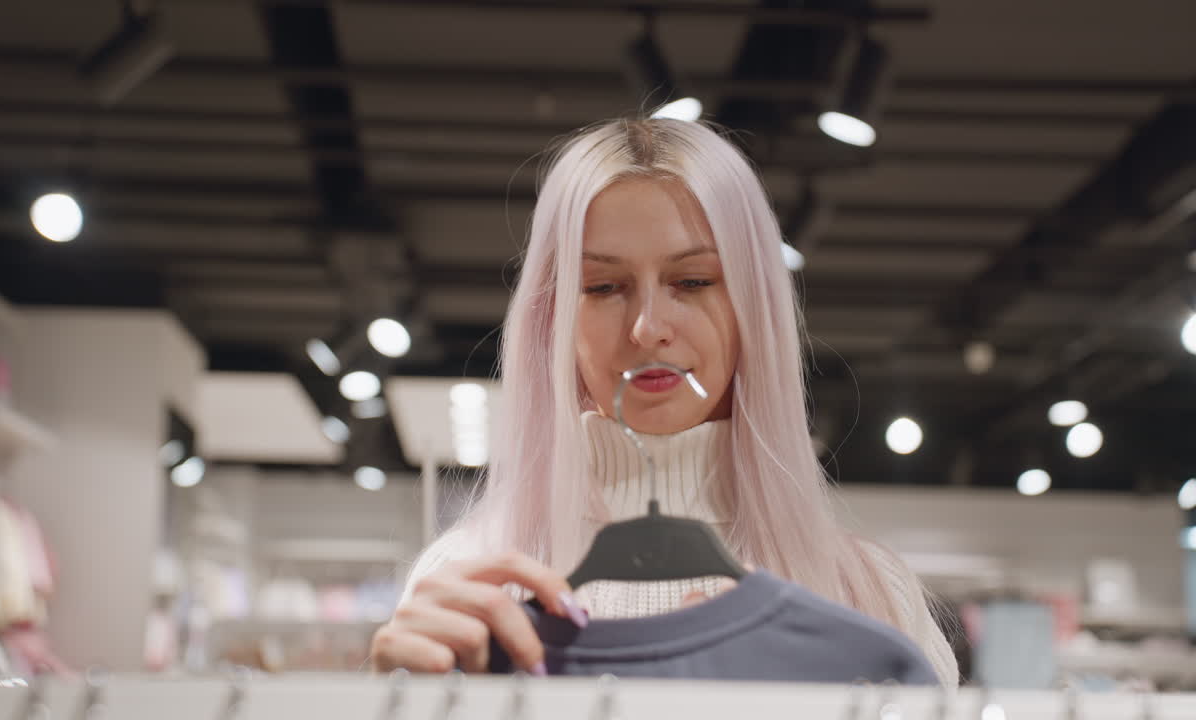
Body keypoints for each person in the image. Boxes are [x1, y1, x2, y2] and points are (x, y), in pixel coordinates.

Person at [370, 117, 959, 686]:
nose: (648, 327)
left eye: (694, 281)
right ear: (552, 318)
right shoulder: (470, 587)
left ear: (753, 304)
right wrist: (390, 699)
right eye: (603, 287)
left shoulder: (868, 599)